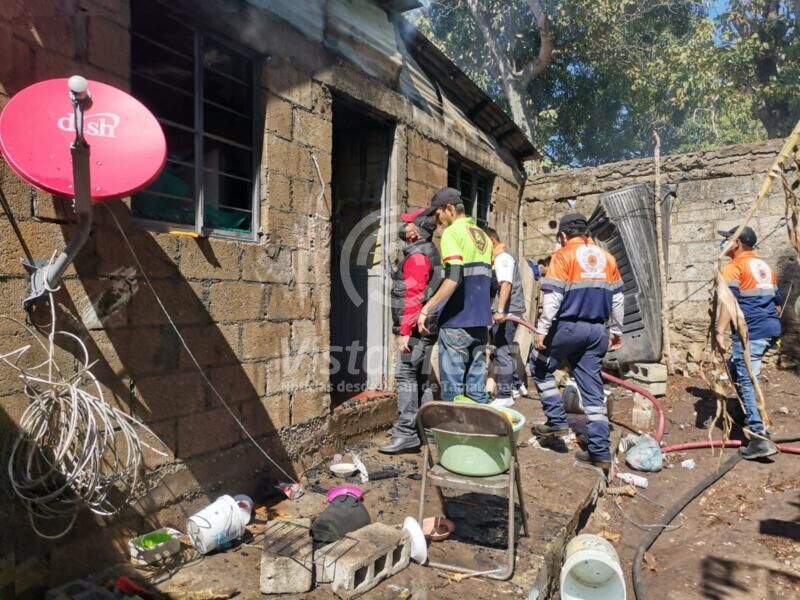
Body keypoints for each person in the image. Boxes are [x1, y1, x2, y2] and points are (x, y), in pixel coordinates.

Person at [529, 213, 624, 470]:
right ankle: (601, 452)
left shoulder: (562, 255)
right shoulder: (608, 258)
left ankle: (556, 420)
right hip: (597, 332)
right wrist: (616, 330)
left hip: (568, 327)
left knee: (539, 366)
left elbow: (552, 298)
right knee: (592, 389)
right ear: (587, 233)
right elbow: (617, 299)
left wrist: (541, 330)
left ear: (562, 235)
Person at [417, 187, 493, 403]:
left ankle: (456, 437)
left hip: (456, 323)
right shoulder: (482, 235)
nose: (436, 219)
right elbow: (492, 283)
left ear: (449, 208)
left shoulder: (452, 233)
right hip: (480, 324)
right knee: (476, 391)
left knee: (453, 393)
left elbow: (453, 278)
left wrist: (427, 309)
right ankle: (481, 435)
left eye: (437, 212)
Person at [715, 226, 782, 460]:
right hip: (771, 327)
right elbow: (777, 303)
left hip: (750, 331)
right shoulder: (765, 266)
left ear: (737, 243)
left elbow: (729, 302)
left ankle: (758, 435)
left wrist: (719, 331)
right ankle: (752, 415)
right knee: (739, 371)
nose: (723, 244)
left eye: (727, 240)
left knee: (746, 379)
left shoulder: (734, 267)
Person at [380, 208, 442, 454]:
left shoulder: (418, 257)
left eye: (407, 224)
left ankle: (406, 433)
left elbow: (414, 296)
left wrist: (405, 330)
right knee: (420, 377)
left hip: (415, 329)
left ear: (416, 232)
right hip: (425, 327)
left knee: (406, 375)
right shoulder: (427, 252)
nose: (403, 227)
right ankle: (427, 431)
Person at [483, 226, 527, 407]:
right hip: (507, 312)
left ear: (492, 241)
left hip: (507, 313)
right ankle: (516, 385)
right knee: (504, 348)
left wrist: (500, 310)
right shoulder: (502, 257)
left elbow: (506, 284)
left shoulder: (502, 257)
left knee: (502, 351)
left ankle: (504, 394)